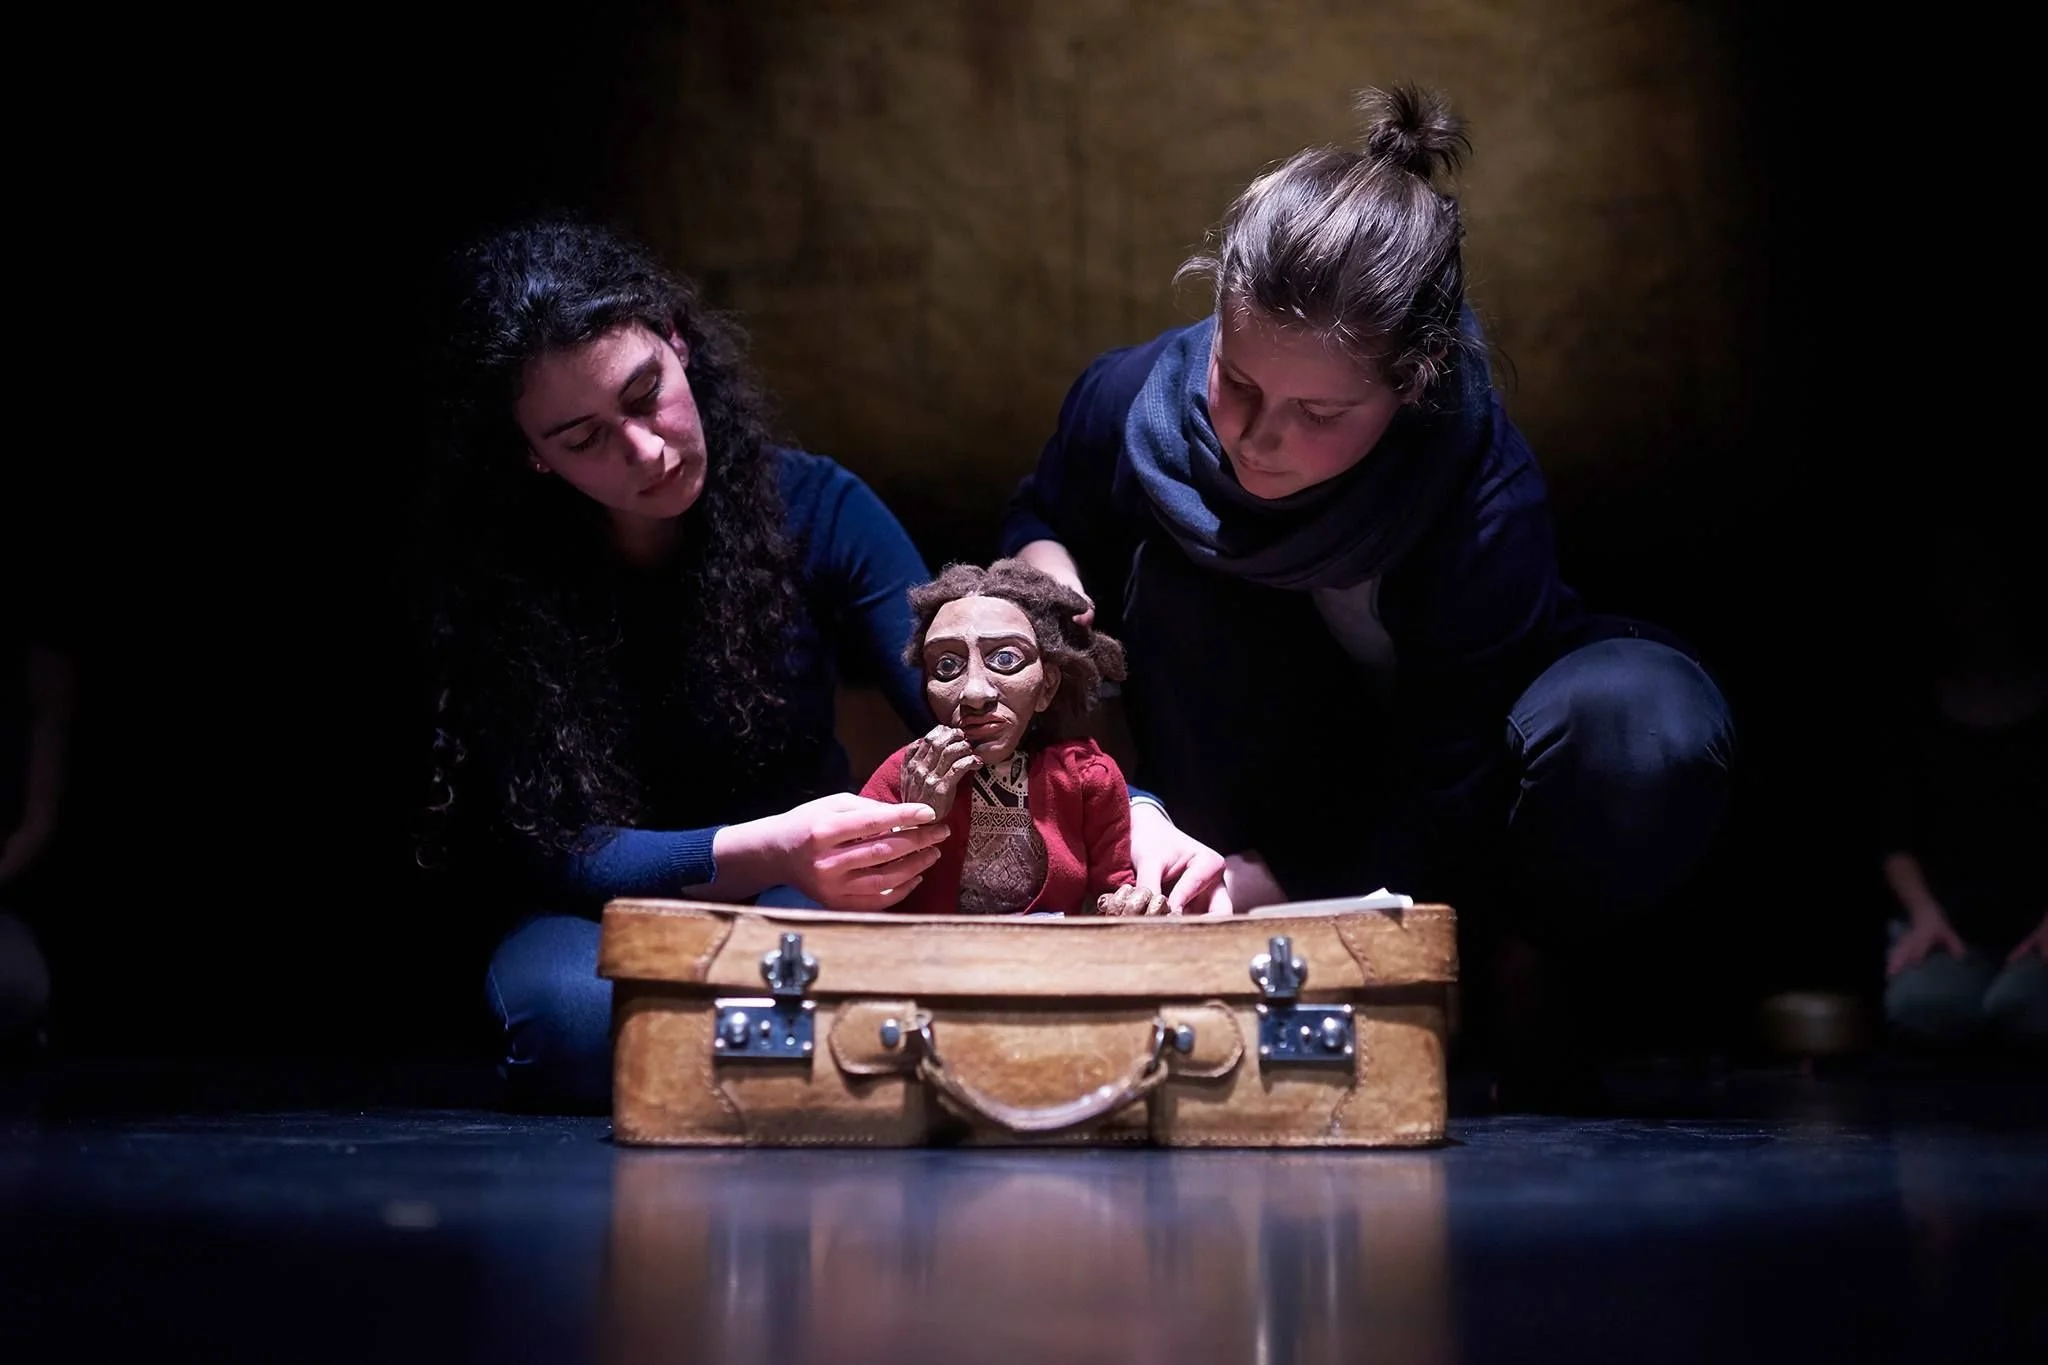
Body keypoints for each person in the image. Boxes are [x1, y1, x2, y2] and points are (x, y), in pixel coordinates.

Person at [997, 84, 1736, 1091]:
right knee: (1174, 575)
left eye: (1317, 412)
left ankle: (1519, 972)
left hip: (1459, 787)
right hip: (1249, 753)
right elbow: (1041, 522)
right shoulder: (1131, 402)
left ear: (1412, 381)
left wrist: (1283, 882)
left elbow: (1454, 777)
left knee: (1638, 723)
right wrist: (1047, 590)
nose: (1258, 439)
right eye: (1238, 382)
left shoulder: (1478, 495)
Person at [414, 217, 1223, 1110]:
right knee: (574, 1023)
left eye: (646, 394)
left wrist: (1133, 814)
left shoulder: (819, 505)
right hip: (593, 912)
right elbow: (558, 850)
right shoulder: (499, 573)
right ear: (532, 450)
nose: (644, 449)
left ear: (678, 343)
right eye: (582, 438)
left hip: (797, 906)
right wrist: (772, 846)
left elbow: (971, 702)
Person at [860, 558, 1166, 917]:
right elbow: (859, 888)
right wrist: (915, 820)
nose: (975, 692)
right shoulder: (908, 774)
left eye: (1005, 659)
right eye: (946, 666)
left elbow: (1113, 888)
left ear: (1046, 686)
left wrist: (1130, 906)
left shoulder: (1086, 779)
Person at [1877, 517, 2047, 1052]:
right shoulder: (1920, 711)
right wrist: (1925, 915)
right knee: (1921, 1006)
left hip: (2038, 929)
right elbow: (1893, 834)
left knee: (2024, 1009)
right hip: (1957, 928)